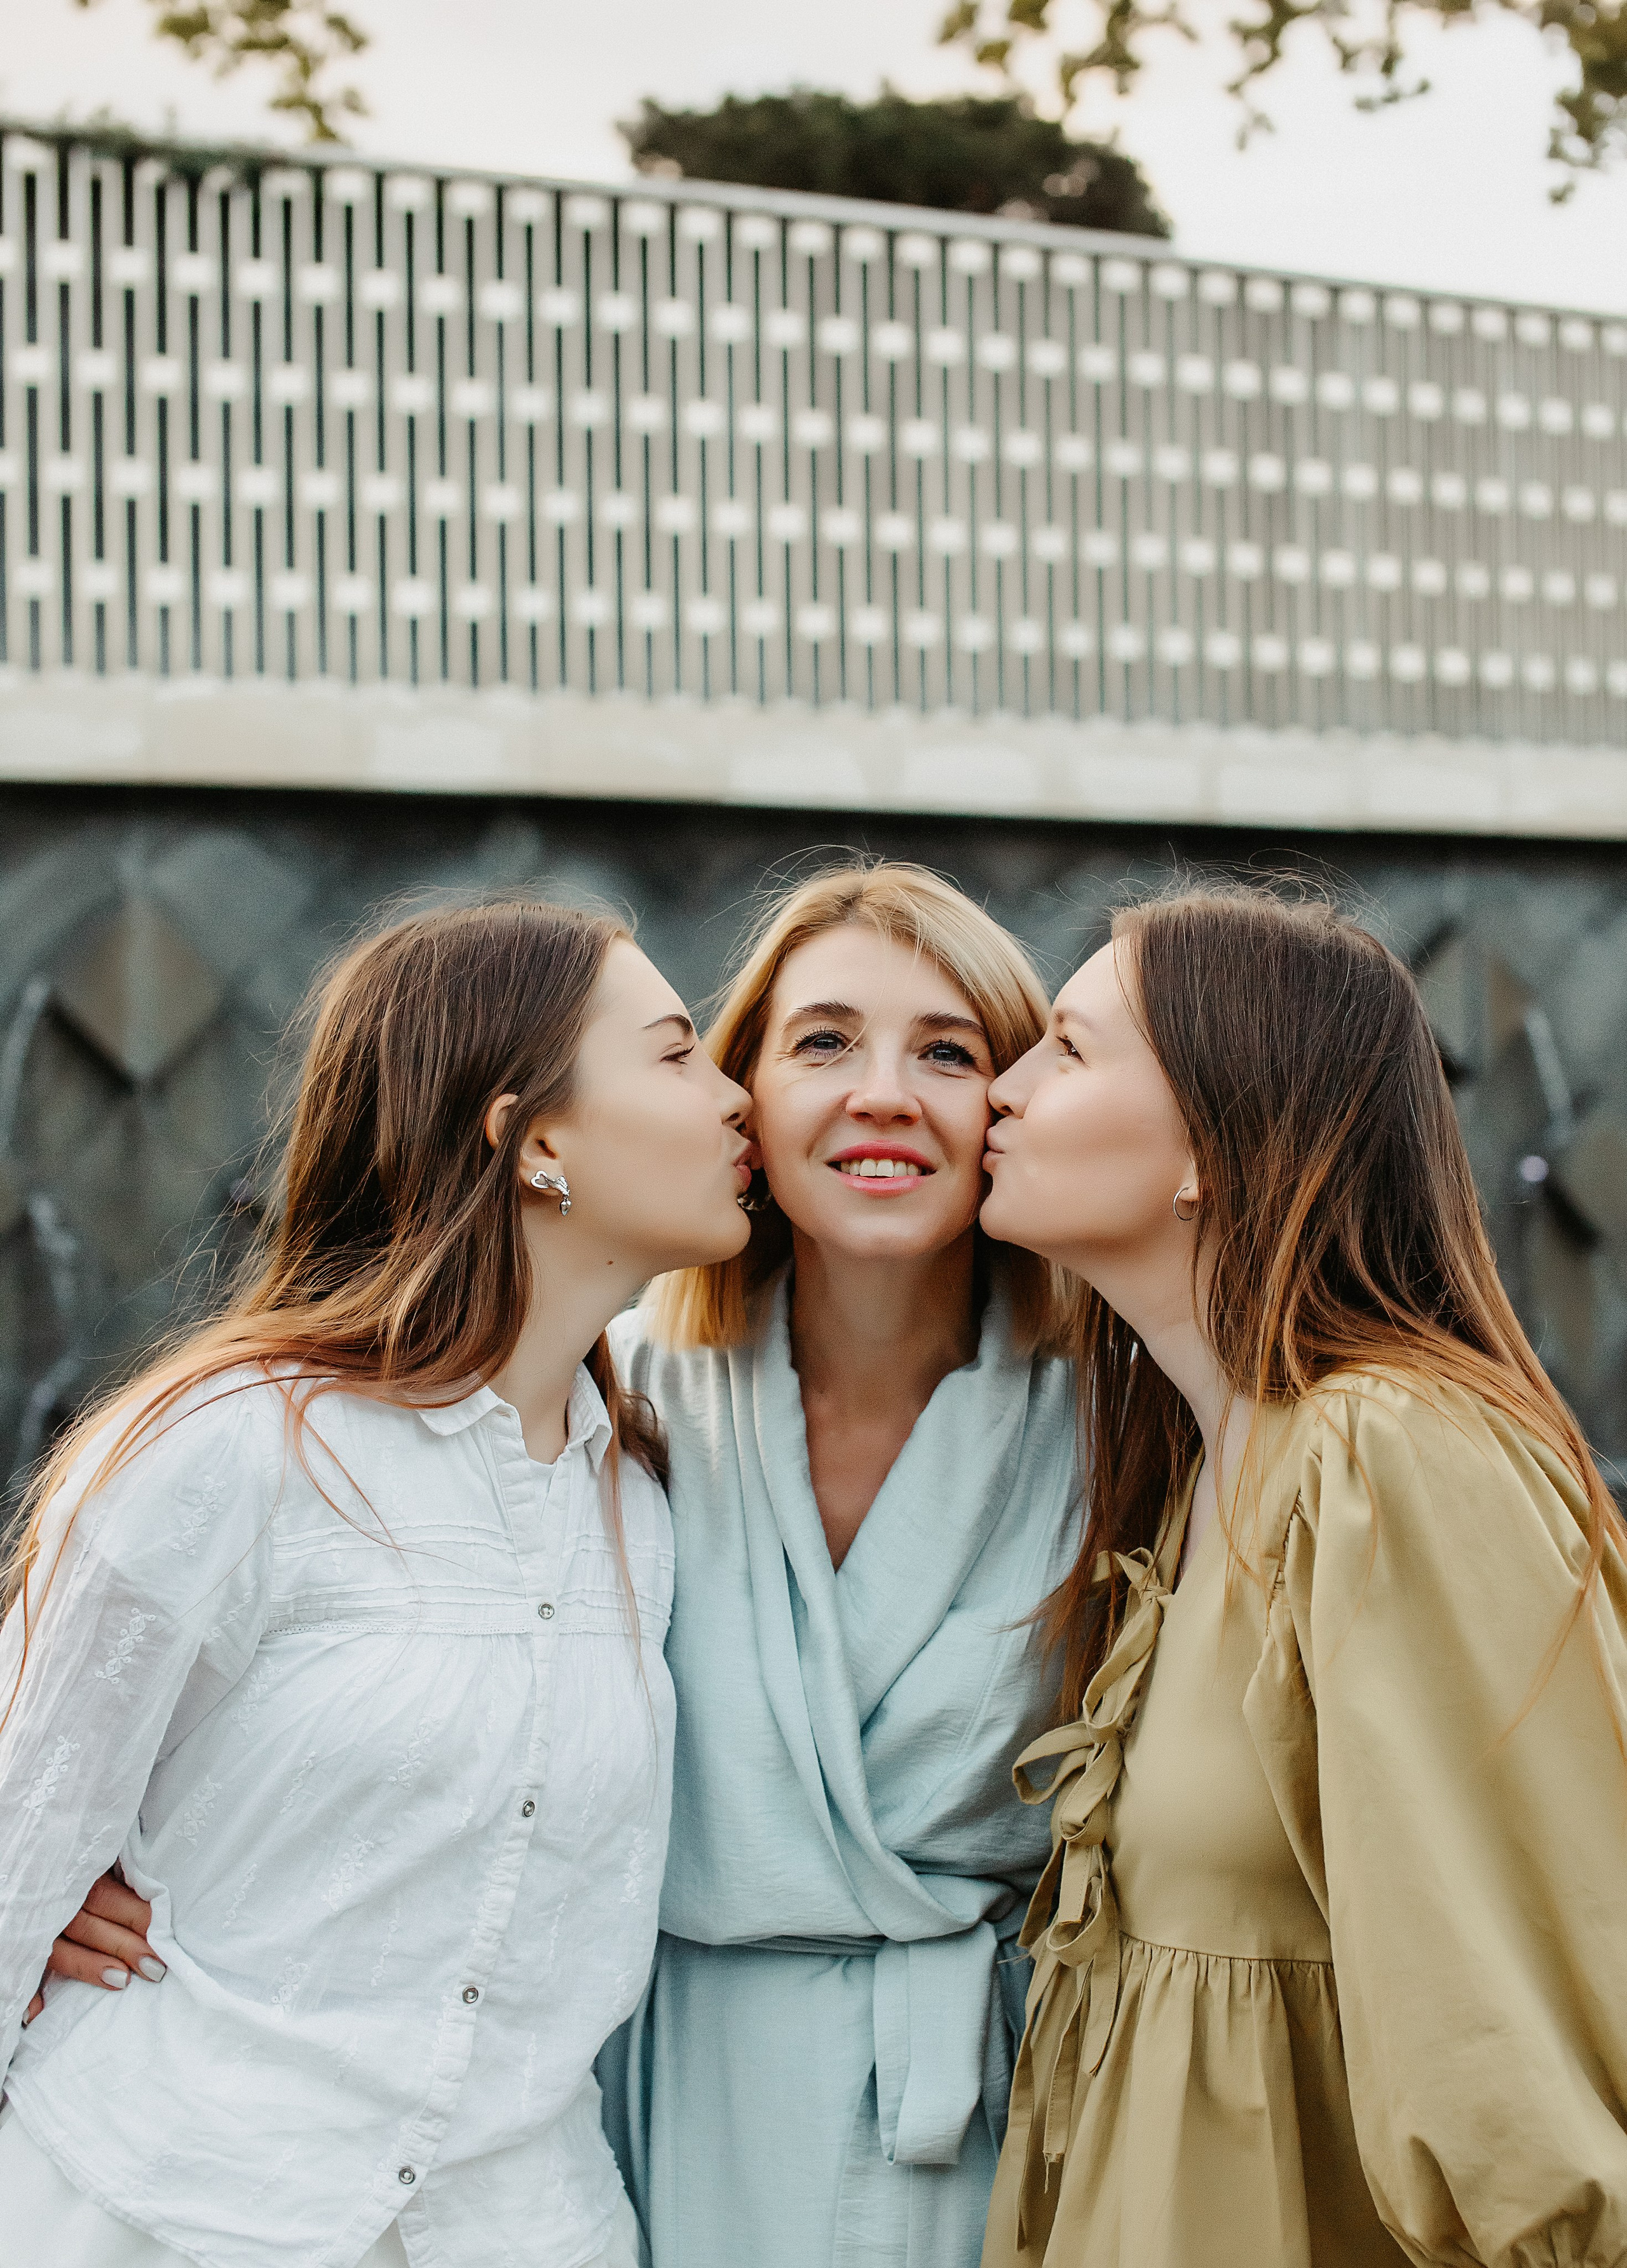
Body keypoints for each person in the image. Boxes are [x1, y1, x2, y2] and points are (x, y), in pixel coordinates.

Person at [0, 898, 753, 2268]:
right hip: (167, 2211)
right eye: (677, 1054)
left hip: (529, 2228)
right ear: (533, 1139)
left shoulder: (642, 1496)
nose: (735, 1097)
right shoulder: (225, 1448)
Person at [976, 882, 1627, 2268]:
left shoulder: (1382, 1458)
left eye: (1069, 1051)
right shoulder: (1198, 1467)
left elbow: (1515, 2037)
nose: (1003, 1088)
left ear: (1212, 1142)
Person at [594, 864, 1086, 2268]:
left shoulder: (1126, 1423)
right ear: (739, 1098)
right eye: (823, 1041)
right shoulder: (619, 1401)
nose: (883, 1091)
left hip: (1007, 2105)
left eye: (947, 1050)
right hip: (676, 2100)